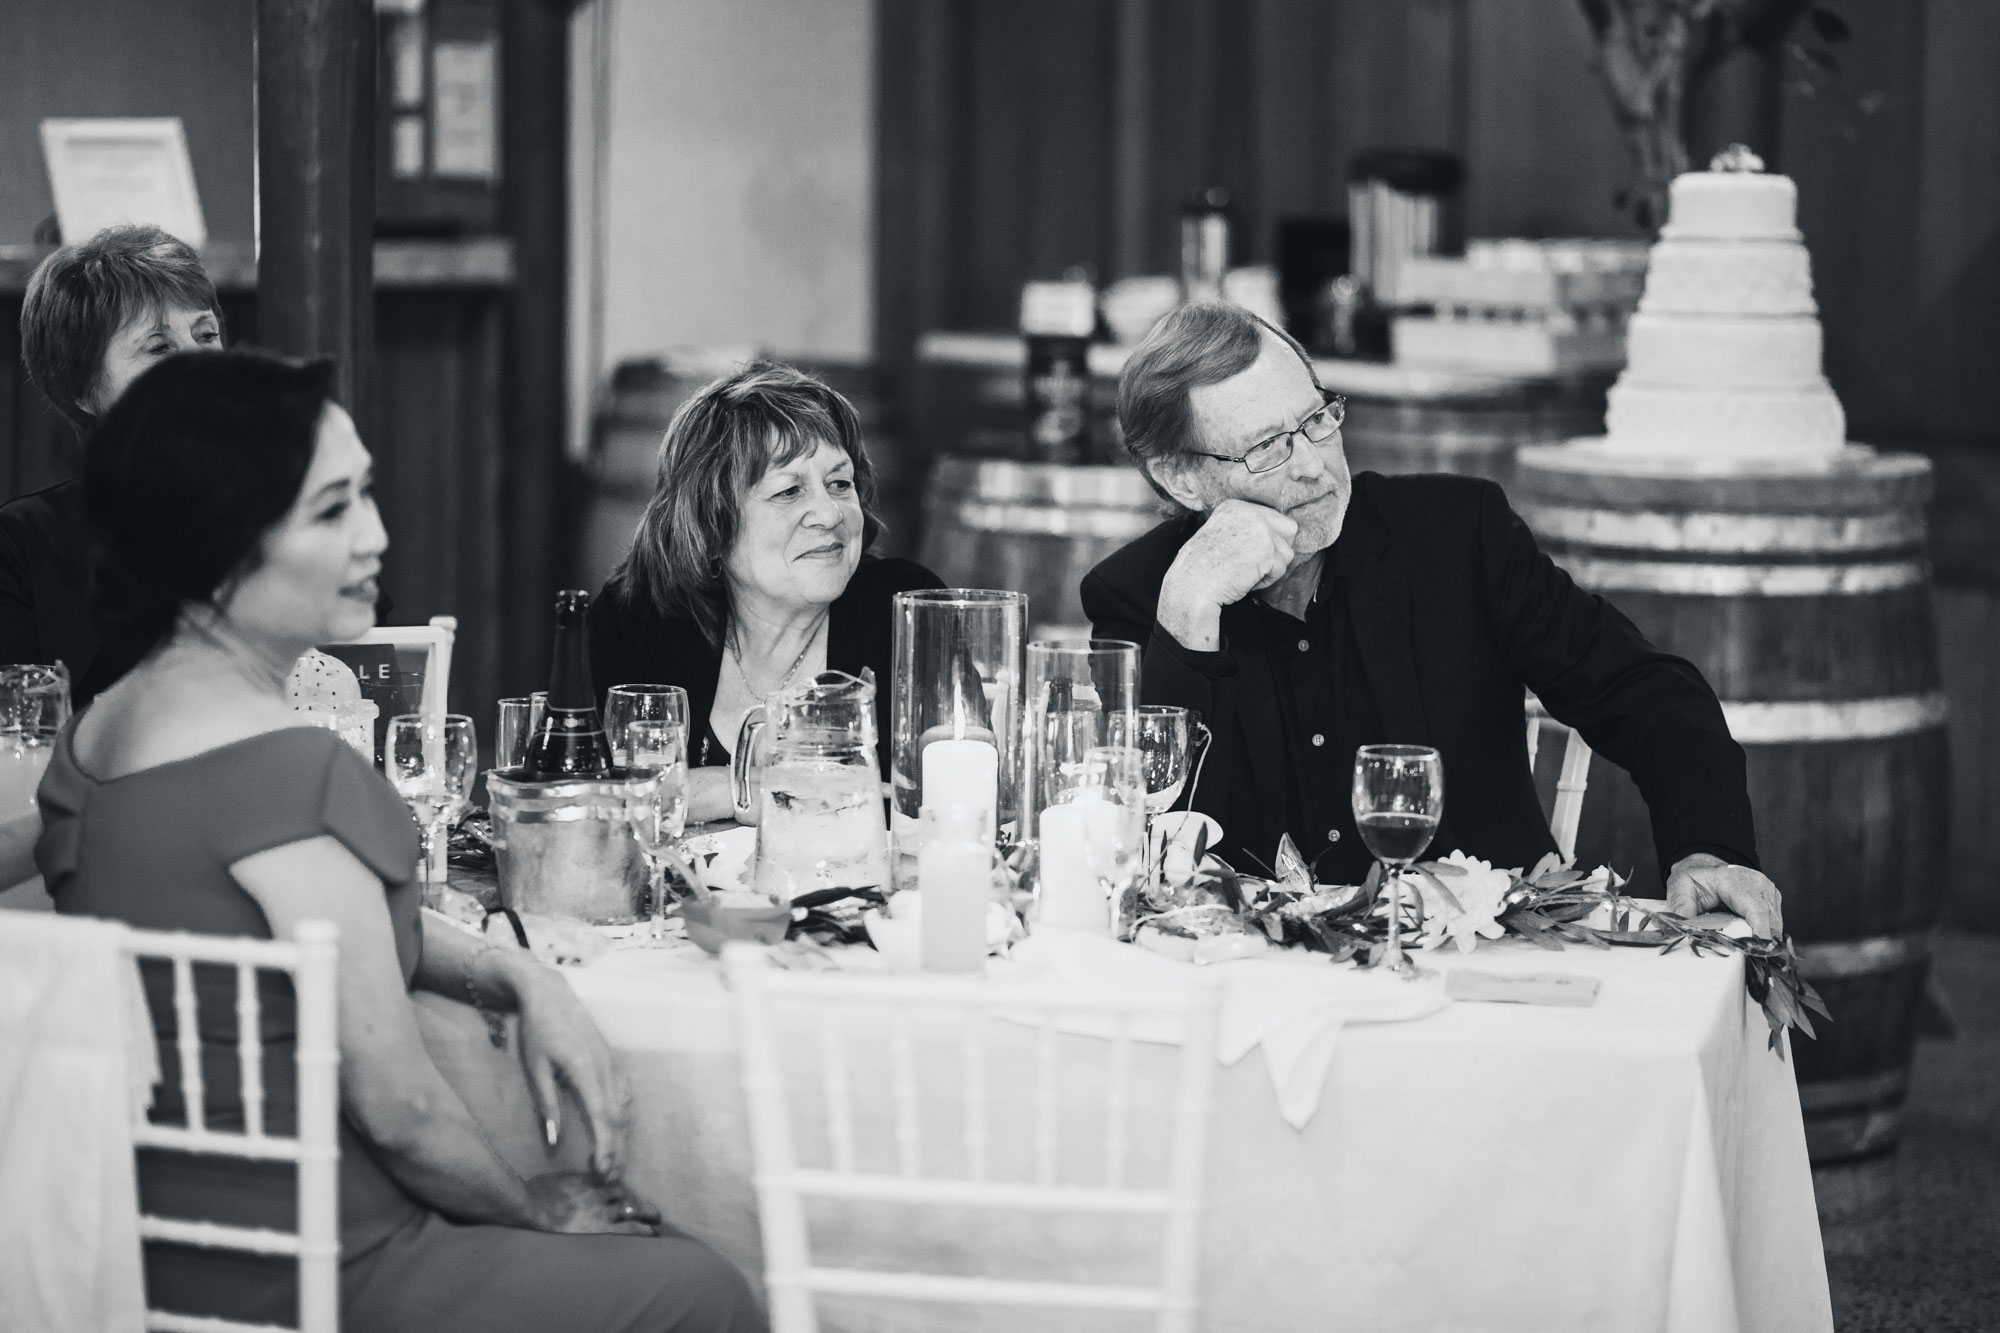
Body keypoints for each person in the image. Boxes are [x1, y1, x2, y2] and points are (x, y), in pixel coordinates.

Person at [40, 351, 762, 1332]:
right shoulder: (286, 774)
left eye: (367, 494)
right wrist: (534, 1207)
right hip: (328, 1268)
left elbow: (300, 939)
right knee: (704, 1289)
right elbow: (401, 1112)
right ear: (218, 543)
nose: (377, 535)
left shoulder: (92, 738)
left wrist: (513, 974)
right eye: (333, 510)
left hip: (154, 1253)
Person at [1079, 302, 1783, 935]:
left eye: (1317, 419)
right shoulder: (1142, 596)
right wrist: (1188, 615)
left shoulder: (1454, 537)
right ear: (1181, 477)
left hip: (1481, 971)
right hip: (1251, 992)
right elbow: (1139, 856)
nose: (1315, 468)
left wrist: (1709, 844)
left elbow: (1643, 689)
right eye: (1268, 448)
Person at [590, 362, 941, 823]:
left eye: (839, 484)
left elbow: (959, 800)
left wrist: (677, 792)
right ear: (712, 525)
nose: (830, 514)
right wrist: (740, 791)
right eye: (789, 491)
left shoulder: (907, 608)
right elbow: (575, 797)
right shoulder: (636, 619)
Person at [5, 224, 226, 703]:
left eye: (206, 335)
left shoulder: (296, 515)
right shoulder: (21, 547)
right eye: (159, 347)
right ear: (84, 389)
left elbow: (374, 687)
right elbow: (20, 737)